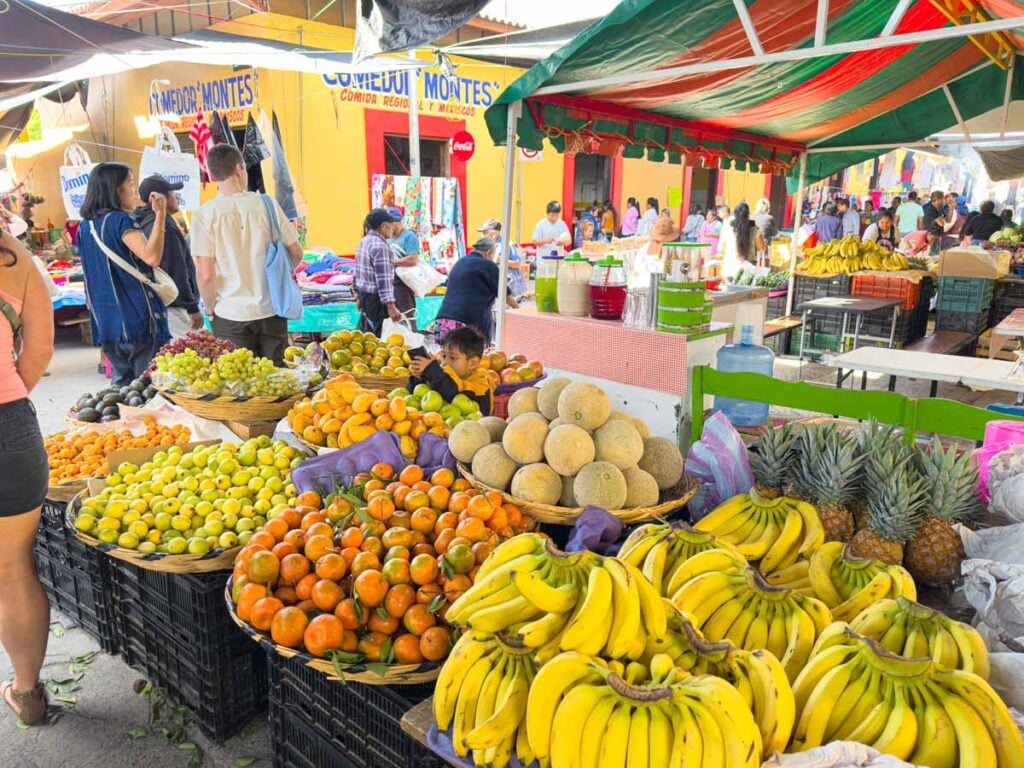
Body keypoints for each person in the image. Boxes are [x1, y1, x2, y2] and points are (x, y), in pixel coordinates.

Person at [0, 230, 54, 727]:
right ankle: (27, 693)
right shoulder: (14, 257)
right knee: (14, 570)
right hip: (9, 426)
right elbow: (38, 350)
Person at [192, 144, 303, 365]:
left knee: (239, 380)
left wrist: (210, 309)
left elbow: (206, 275)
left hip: (230, 314)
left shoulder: (204, 215)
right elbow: (296, 253)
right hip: (272, 309)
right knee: (275, 378)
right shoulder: (267, 204)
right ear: (239, 169)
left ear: (212, 176)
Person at [78, 163, 170, 386]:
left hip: (107, 323)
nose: (134, 192)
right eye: (130, 184)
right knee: (148, 388)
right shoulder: (120, 221)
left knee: (122, 389)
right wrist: (160, 216)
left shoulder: (85, 227)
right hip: (136, 319)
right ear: (115, 189)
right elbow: (151, 257)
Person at [133, 175, 202, 340]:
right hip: (175, 307)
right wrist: (192, 307)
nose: (176, 196)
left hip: (161, 305)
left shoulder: (143, 222)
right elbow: (176, 270)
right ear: (156, 199)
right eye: (171, 192)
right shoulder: (164, 227)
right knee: (187, 352)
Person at [435, 237, 516, 343]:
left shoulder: (461, 262)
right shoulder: (489, 266)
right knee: (472, 353)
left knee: (446, 352)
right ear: (489, 252)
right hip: (468, 323)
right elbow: (505, 296)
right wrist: (519, 310)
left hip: (444, 319)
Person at [408, 325, 495, 416]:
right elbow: (419, 396)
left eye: (453, 358)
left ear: (473, 363)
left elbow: (454, 396)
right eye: (444, 356)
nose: (444, 362)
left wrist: (433, 371)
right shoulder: (444, 378)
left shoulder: (480, 385)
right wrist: (419, 378)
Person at [354, 207, 404, 337]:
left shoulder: (364, 241)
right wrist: (391, 306)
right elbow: (383, 280)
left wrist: (358, 296)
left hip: (366, 297)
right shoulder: (380, 247)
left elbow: (357, 272)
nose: (393, 228)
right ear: (384, 226)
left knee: (370, 337)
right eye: (391, 224)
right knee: (381, 337)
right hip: (377, 300)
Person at [386, 207, 421, 328]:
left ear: (397, 222)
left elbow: (413, 259)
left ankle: (411, 339)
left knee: (406, 317)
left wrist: (391, 262)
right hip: (391, 283)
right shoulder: (388, 238)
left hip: (403, 284)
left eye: (389, 224)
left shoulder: (409, 236)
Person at [478, 219, 527, 299]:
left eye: (485, 233)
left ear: (493, 233)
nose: (483, 235)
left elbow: (517, 264)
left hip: (509, 284)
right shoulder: (484, 245)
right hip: (492, 282)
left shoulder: (507, 244)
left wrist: (500, 260)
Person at [718, 202, 765, 279]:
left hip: (728, 269)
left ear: (734, 213)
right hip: (747, 272)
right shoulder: (754, 228)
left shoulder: (727, 226)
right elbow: (762, 248)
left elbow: (721, 249)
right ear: (748, 214)